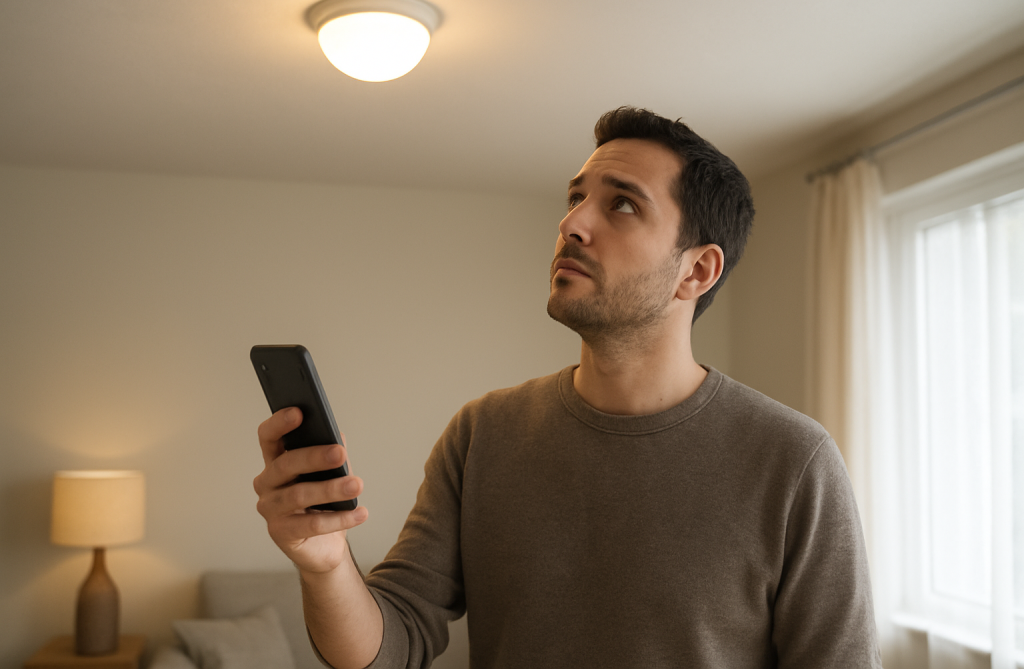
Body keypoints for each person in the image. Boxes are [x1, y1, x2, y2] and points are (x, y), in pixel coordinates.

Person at [253, 107, 882, 669]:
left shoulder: (794, 460)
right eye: (577, 196)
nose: (572, 222)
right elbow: (391, 646)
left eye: (622, 204)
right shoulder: (482, 434)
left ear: (697, 270)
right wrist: (326, 565)